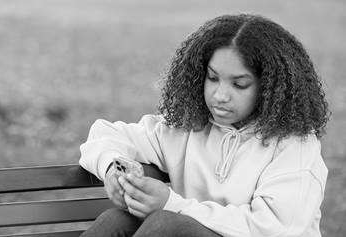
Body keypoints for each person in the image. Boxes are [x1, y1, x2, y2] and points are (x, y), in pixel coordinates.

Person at [79, 14, 330, 237]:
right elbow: (105, 134)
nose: (220, 95)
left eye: (239, 84)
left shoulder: (293, 145)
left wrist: (171, 204)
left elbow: (276, 228)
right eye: (212, 78)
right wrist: (113, 167)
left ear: (271, 88)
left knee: (167, 225)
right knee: (116, 221)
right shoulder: (188, 128)